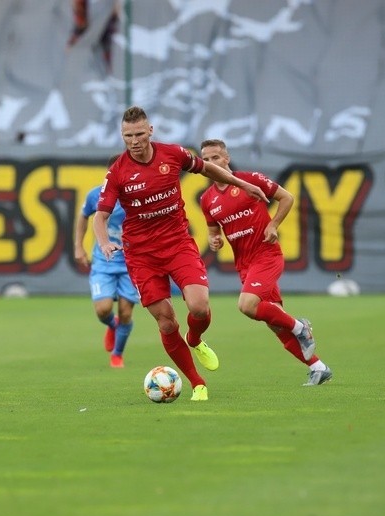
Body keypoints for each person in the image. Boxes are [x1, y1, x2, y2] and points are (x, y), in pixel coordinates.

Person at [93, 106, 268, 401]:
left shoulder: (173, 154)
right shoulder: (118, 173)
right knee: (166, 321)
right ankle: (197, 383)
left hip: (177, 244)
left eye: (138, 134)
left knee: (199, 307)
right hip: (142, 256)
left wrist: (241, 182)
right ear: (122, 136)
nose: (134, 141)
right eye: (127, 136)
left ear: (150, 131)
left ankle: (195, 339)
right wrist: (103, 242)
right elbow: (100, 216)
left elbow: (206, 168)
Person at [198, 139, 332, 386]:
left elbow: (287, 197)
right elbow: (213, 230)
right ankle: (318, 367)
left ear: (226, 158)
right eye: (205, 159)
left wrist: (273, 224)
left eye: (215, 158)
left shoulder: (250, 181)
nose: (209, 163)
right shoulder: (207, 199)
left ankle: (301, 327)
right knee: (275, 325)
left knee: (247, 305)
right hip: (244, 265)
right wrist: (214, 240)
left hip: (267, 256)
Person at [74, 155, 138, 368]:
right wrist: (78, 246)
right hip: (104, 261)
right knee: (102, 309)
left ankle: (117, 354)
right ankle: (112, 325)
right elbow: (84, 216)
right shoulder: (97, 195)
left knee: (126, 311)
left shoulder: (140, 195)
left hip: (132, 263)